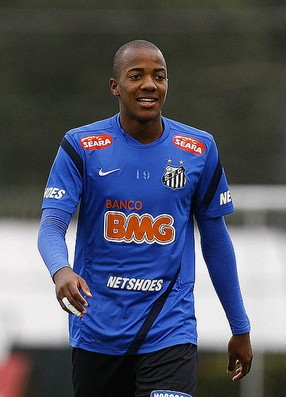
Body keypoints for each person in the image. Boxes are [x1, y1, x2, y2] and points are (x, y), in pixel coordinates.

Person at [38, 39, 252, 397]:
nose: (149, 84)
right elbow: (51, 225)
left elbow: (216, 242)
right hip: (98, 331)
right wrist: (61, 271)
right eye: (136, 76)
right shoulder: (81, 146)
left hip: (170, 329)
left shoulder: (198, 150)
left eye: (159, 76)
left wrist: (240, 326)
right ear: (115, 86)